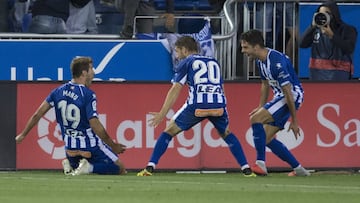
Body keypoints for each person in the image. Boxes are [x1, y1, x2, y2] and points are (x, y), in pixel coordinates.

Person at [137, 36, 256, 177]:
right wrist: (223, 108)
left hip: (197, 105)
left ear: (185, 50)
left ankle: (150, 167)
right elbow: (221, 87)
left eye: (177, 51)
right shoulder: (214, 61)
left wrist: (162, 113)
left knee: (169, 131)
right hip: (218, 104)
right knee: (227, 134)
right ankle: (246, 169)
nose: (176, 55)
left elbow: (175, 89)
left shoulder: (186, 62)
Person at [15, 56, 127, 175]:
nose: (93, 73)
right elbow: (94, 123)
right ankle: (88, 168)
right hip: (91, 147)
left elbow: (37, 114)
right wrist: (112, 144)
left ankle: (71, 166)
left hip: (70, 150)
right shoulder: (88, 94)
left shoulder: (57, 92)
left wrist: (23, 134)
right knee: (119, 168)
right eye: (91, 69)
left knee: (79, 168)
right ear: (84, 73)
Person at [240, 29, 310, 177]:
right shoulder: (260, 61)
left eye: (245, 47)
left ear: (256, 46)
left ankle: (260, 163)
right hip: (281, 96)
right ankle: (299, 169)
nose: (242, 51)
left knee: (255, 119)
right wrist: (261, 106)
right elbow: (265, 85)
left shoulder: (276, 62)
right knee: (266, 139)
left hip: (292, 96)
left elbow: (288, 92)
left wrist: (294, 120)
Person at [299, 0, 357, 80]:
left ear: (334, 14)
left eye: (327, 13)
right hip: (317, 74)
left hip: (338, 75)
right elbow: (302, 44)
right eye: (321, 13)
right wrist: (312, 27)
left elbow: (349, 48)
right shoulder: (315, 29)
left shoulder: (348, 30)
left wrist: (332, 35)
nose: (323, 16)